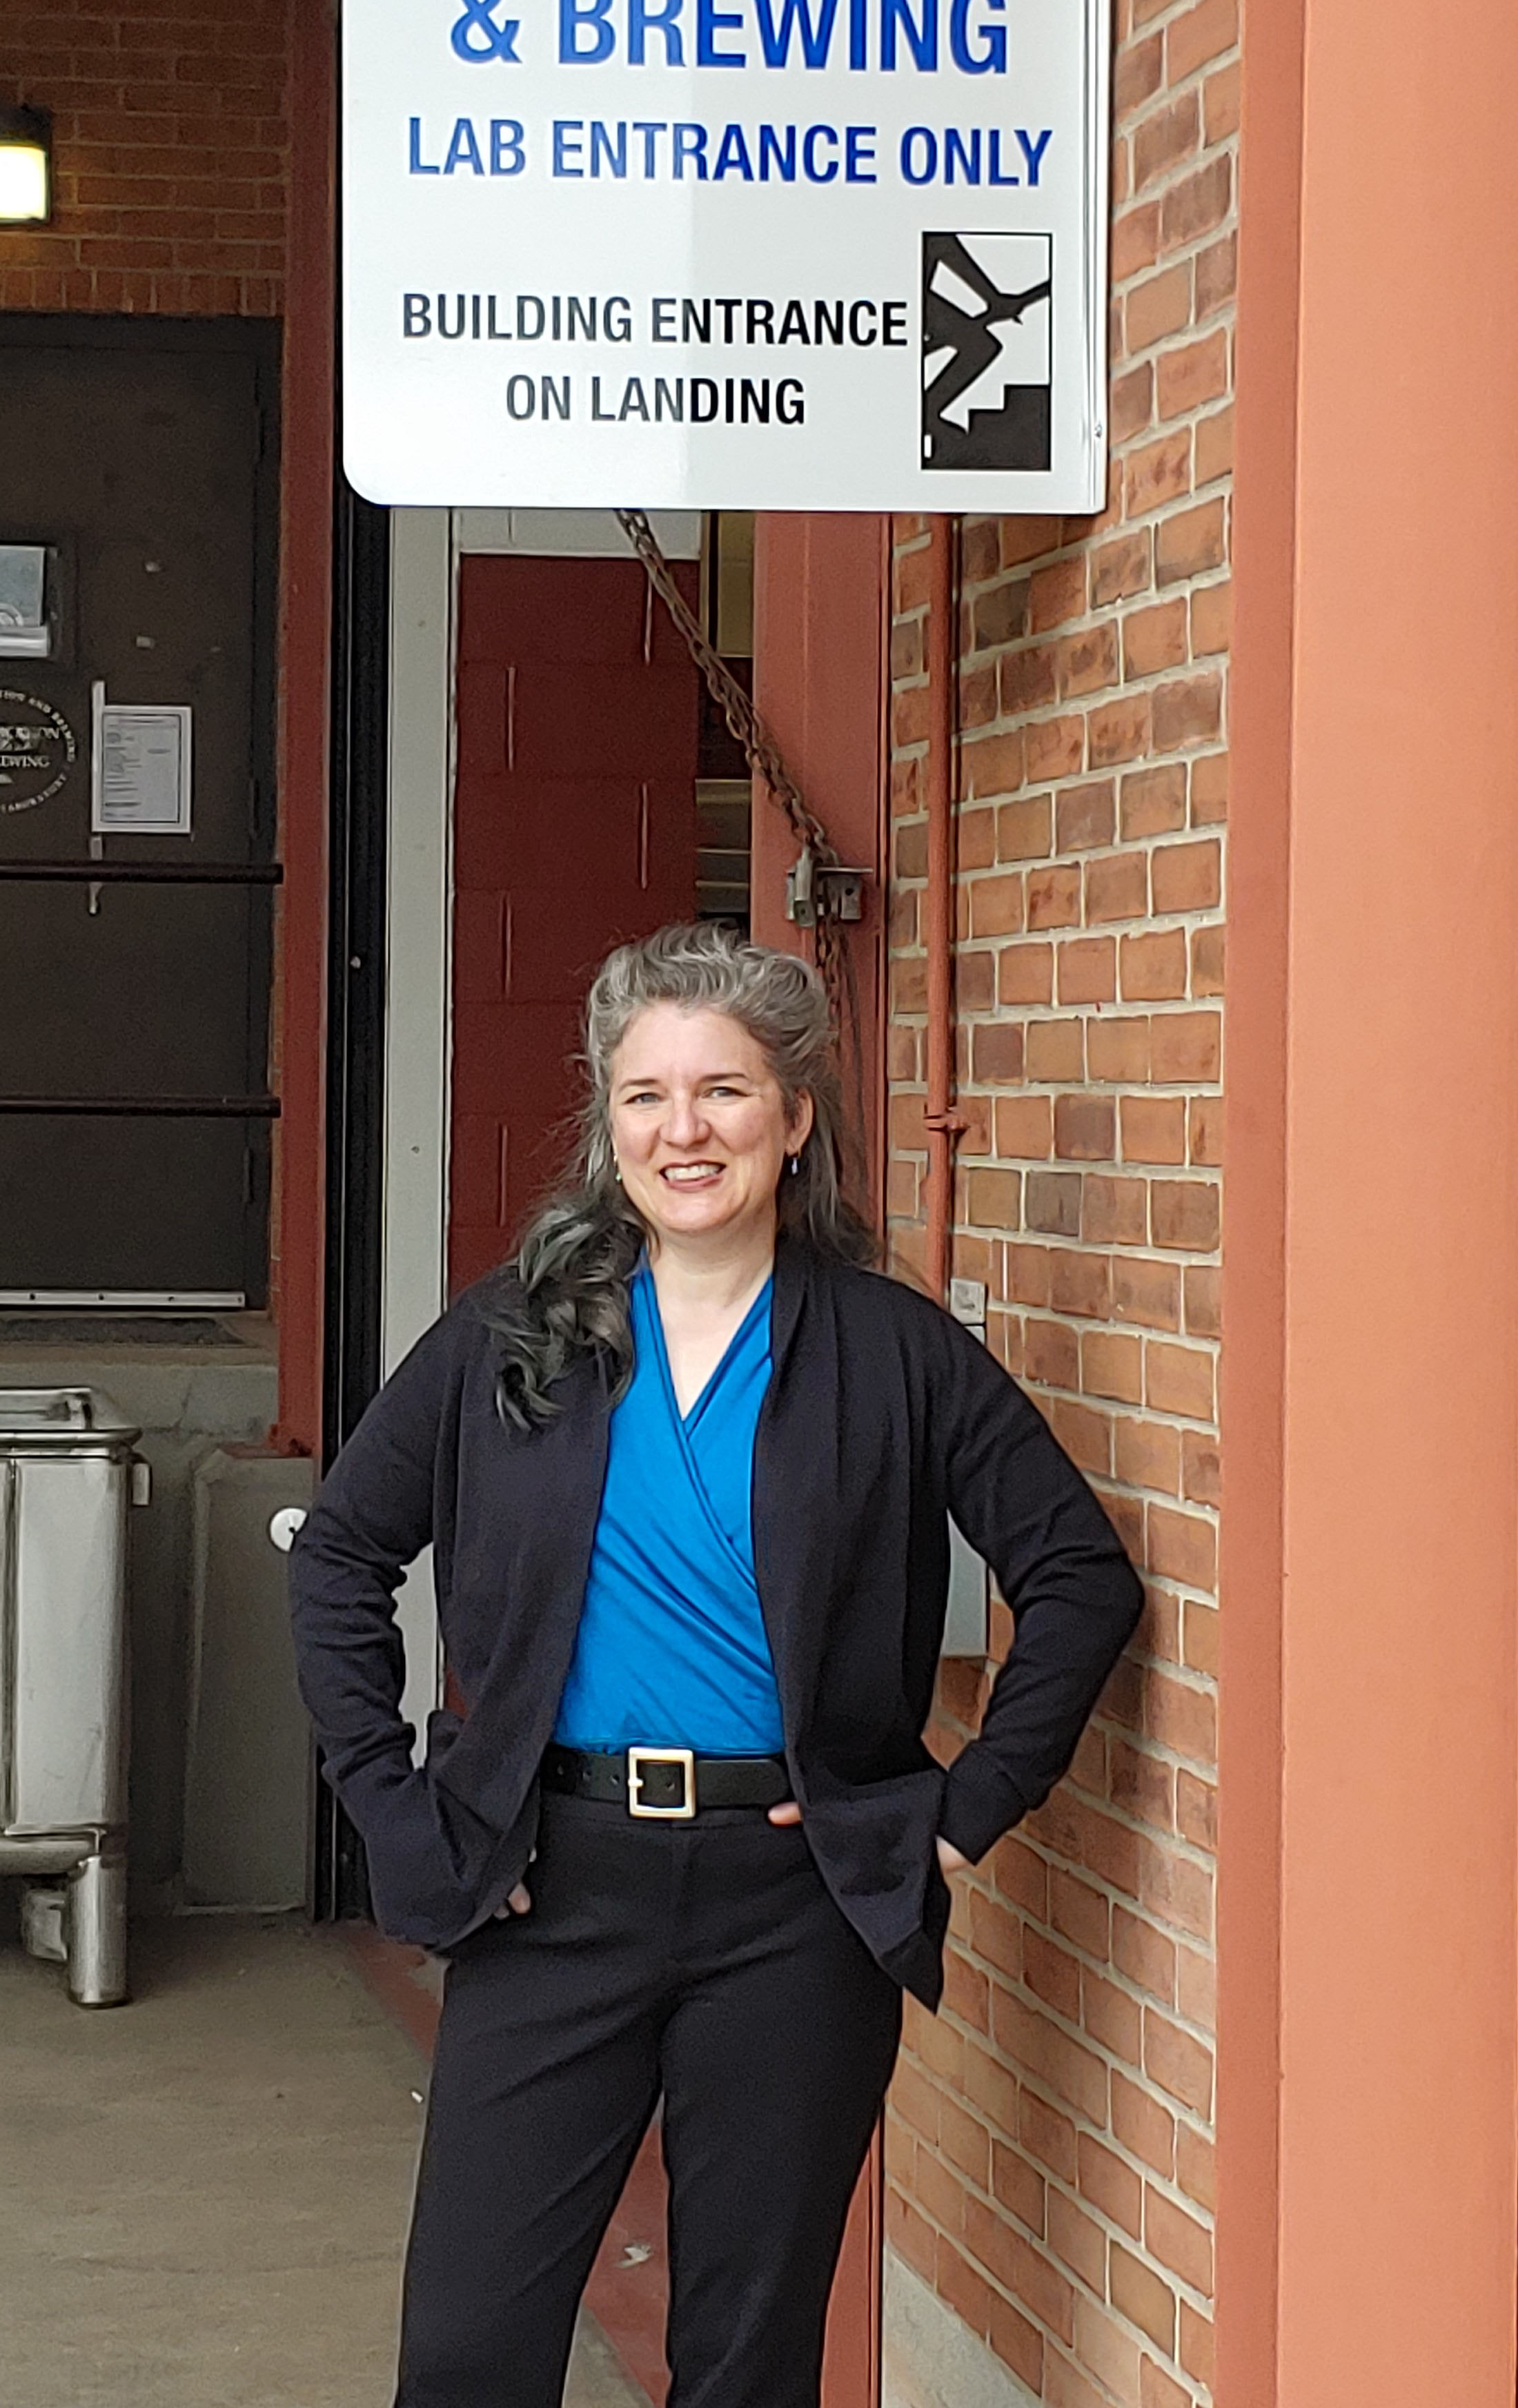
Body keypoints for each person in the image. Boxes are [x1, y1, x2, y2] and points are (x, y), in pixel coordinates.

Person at [288, 923, 1143, 2408]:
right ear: (608, 1123)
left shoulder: (891, 1351)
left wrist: (959, 1813)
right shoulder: (509, 1338)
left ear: (794, 1118)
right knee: (469, 2351)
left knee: (746, 2364)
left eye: (724, 1091)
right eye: (646, 1096)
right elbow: (339, 1555)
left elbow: (1080, 1577)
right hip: (550, 1884)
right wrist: (395, 1808)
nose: (683, 1131)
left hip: (792, 1906)